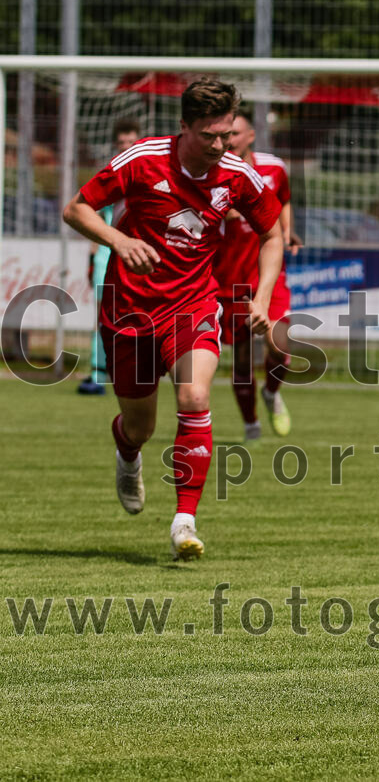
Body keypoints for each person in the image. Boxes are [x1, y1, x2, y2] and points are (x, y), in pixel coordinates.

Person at [62, 79, 283, 561]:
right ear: (184, 127)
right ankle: (127, 452)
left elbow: (272, 234)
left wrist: (262, 297)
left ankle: (185, 520)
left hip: (193, 304)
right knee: (140, 426)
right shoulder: (143, 159)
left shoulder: (237, 175)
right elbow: (76, 209)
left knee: (195, 396)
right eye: (209, 136)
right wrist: (120, 242)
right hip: (130, 309)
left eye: (226, 135)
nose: (220, 146)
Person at [212, 112, 300, 441]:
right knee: (242, 360)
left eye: (235, 133)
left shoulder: (274, 168)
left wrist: (286, 230)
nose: (229, 140)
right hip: (230, 282)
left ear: (250, 136)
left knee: (280, 343)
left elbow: (284, 200)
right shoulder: (212, 174)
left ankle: (271, 392)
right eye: (225, 134)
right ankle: (251, 425)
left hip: (268, 278)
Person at [78, 118, 140, 395]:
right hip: (107, 255)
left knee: (137, 318)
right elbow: (93, 219)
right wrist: (92, 260)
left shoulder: (147, 173)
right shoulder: (110, 175)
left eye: (131, 141)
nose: (126, 146)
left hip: (137, 256)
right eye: (122, 142)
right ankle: (98, 373)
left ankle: (130, 372)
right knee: (103, 316)